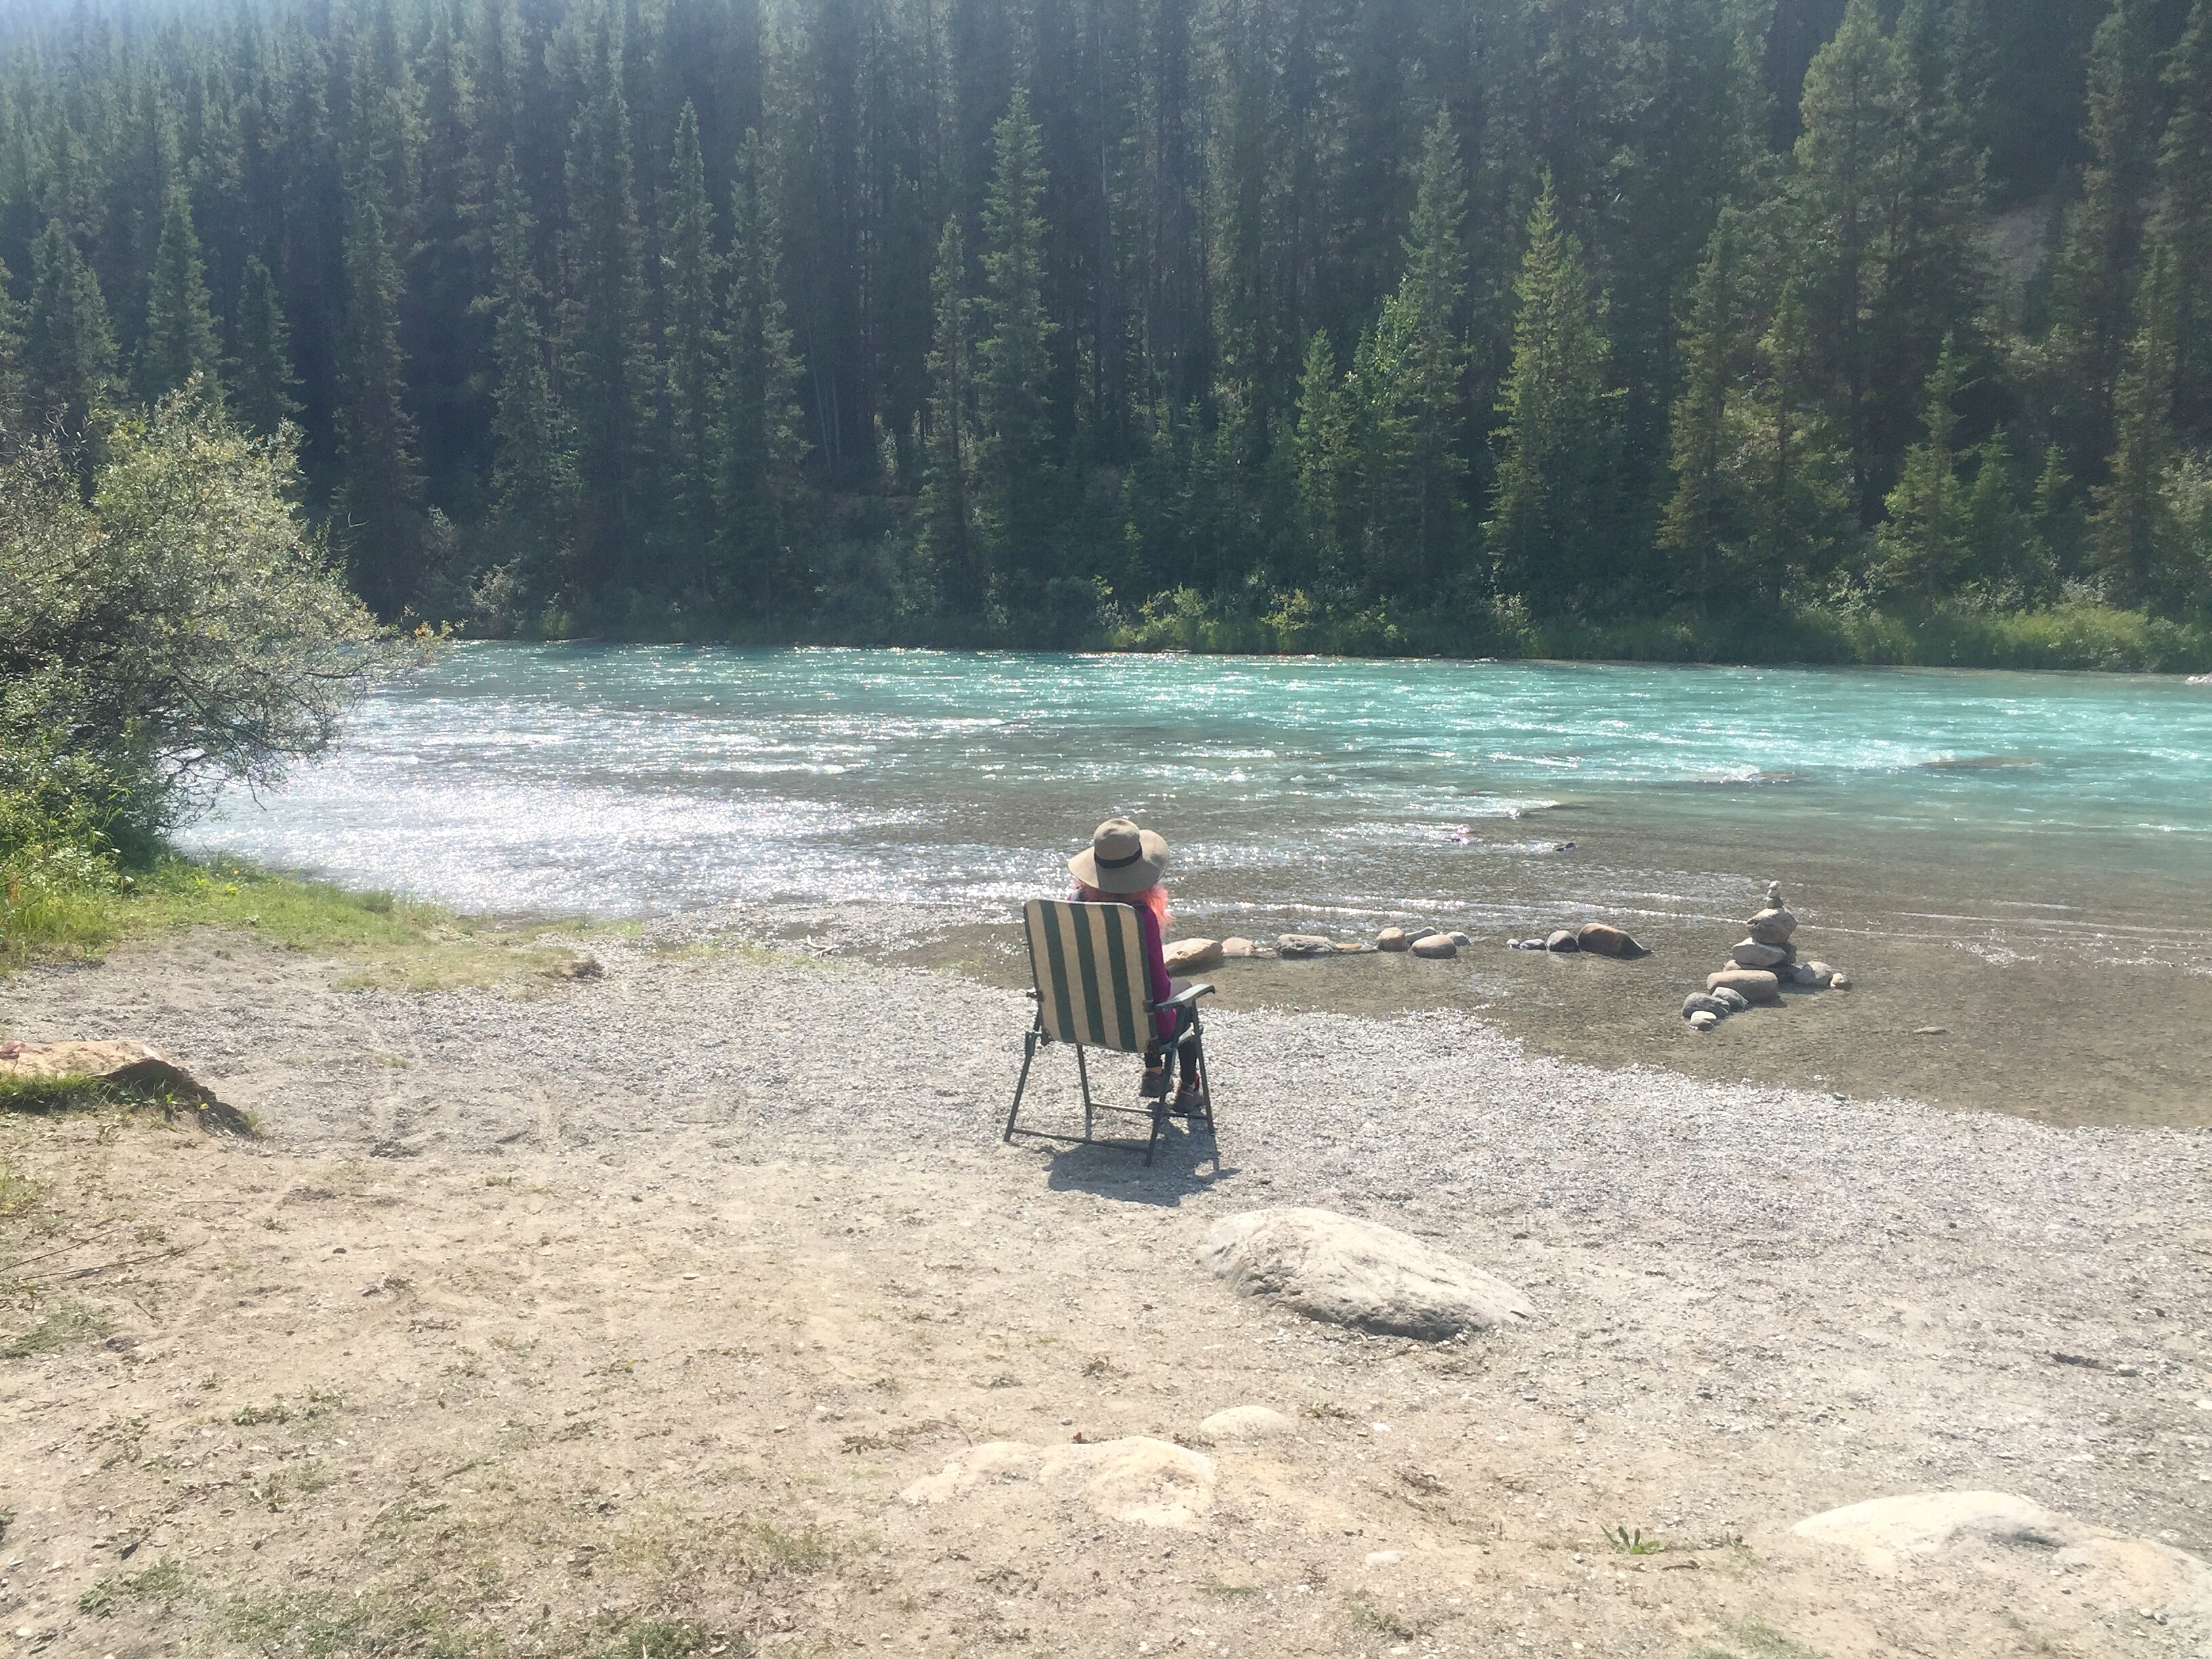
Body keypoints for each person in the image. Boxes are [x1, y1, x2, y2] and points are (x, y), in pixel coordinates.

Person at [1067, 817, 1205, 1113]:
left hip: (1078, 1019)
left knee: (1137, 996)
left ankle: (1155, 1074)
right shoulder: (1139, 918)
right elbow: (1158, 988)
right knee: (1183, 996)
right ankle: (1189, 1088)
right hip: (1140, 1027)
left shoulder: (1073, 906)